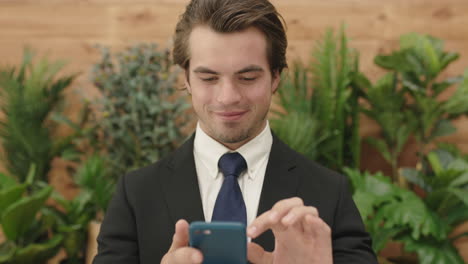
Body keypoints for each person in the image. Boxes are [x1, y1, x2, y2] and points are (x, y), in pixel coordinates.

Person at [93, 0, 377, 263]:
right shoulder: (136, 195)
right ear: (186, 78)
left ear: (276, 77)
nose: (227, 97)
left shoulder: (329, 194)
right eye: (209, 77)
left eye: (248, 77)